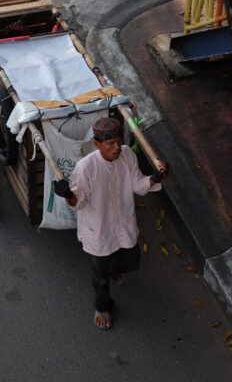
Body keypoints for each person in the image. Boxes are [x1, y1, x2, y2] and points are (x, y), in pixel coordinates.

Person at [54, 117, 167, 330]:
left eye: (119, 141)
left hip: (122, 224)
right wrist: (68, 195)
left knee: (132, 261)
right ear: (97, 144)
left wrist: (154, 178)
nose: (117, 148)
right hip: (98, 230)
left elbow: (137, 184)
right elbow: (78, 203)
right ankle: (103, 306)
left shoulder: (127, 154)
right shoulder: (85, 168)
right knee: (100, 278)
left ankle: (111, 269)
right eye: (110, 144)